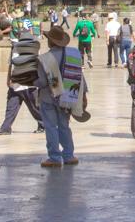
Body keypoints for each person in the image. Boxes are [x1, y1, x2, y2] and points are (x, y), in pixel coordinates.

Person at [35, 27, 81, 167]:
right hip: (67, 98)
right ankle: (69, 155)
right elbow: (79, 76)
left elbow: (42, 82)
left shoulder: (44, 59)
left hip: (49, 98)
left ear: (50, 42)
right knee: (64, 126)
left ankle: (54, 157)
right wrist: (83, 96)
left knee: (50, 127)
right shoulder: (74, 54)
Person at [0, 30, 43, 136]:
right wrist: (9, 79)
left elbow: (11, 65)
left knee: (34, 108)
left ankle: (43, 125)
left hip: (27, 85)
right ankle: (5, 128)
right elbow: (11, 65)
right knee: (12, 107)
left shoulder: (30, 50)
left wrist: (8, 79)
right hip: (19, 84)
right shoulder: (19, 48)